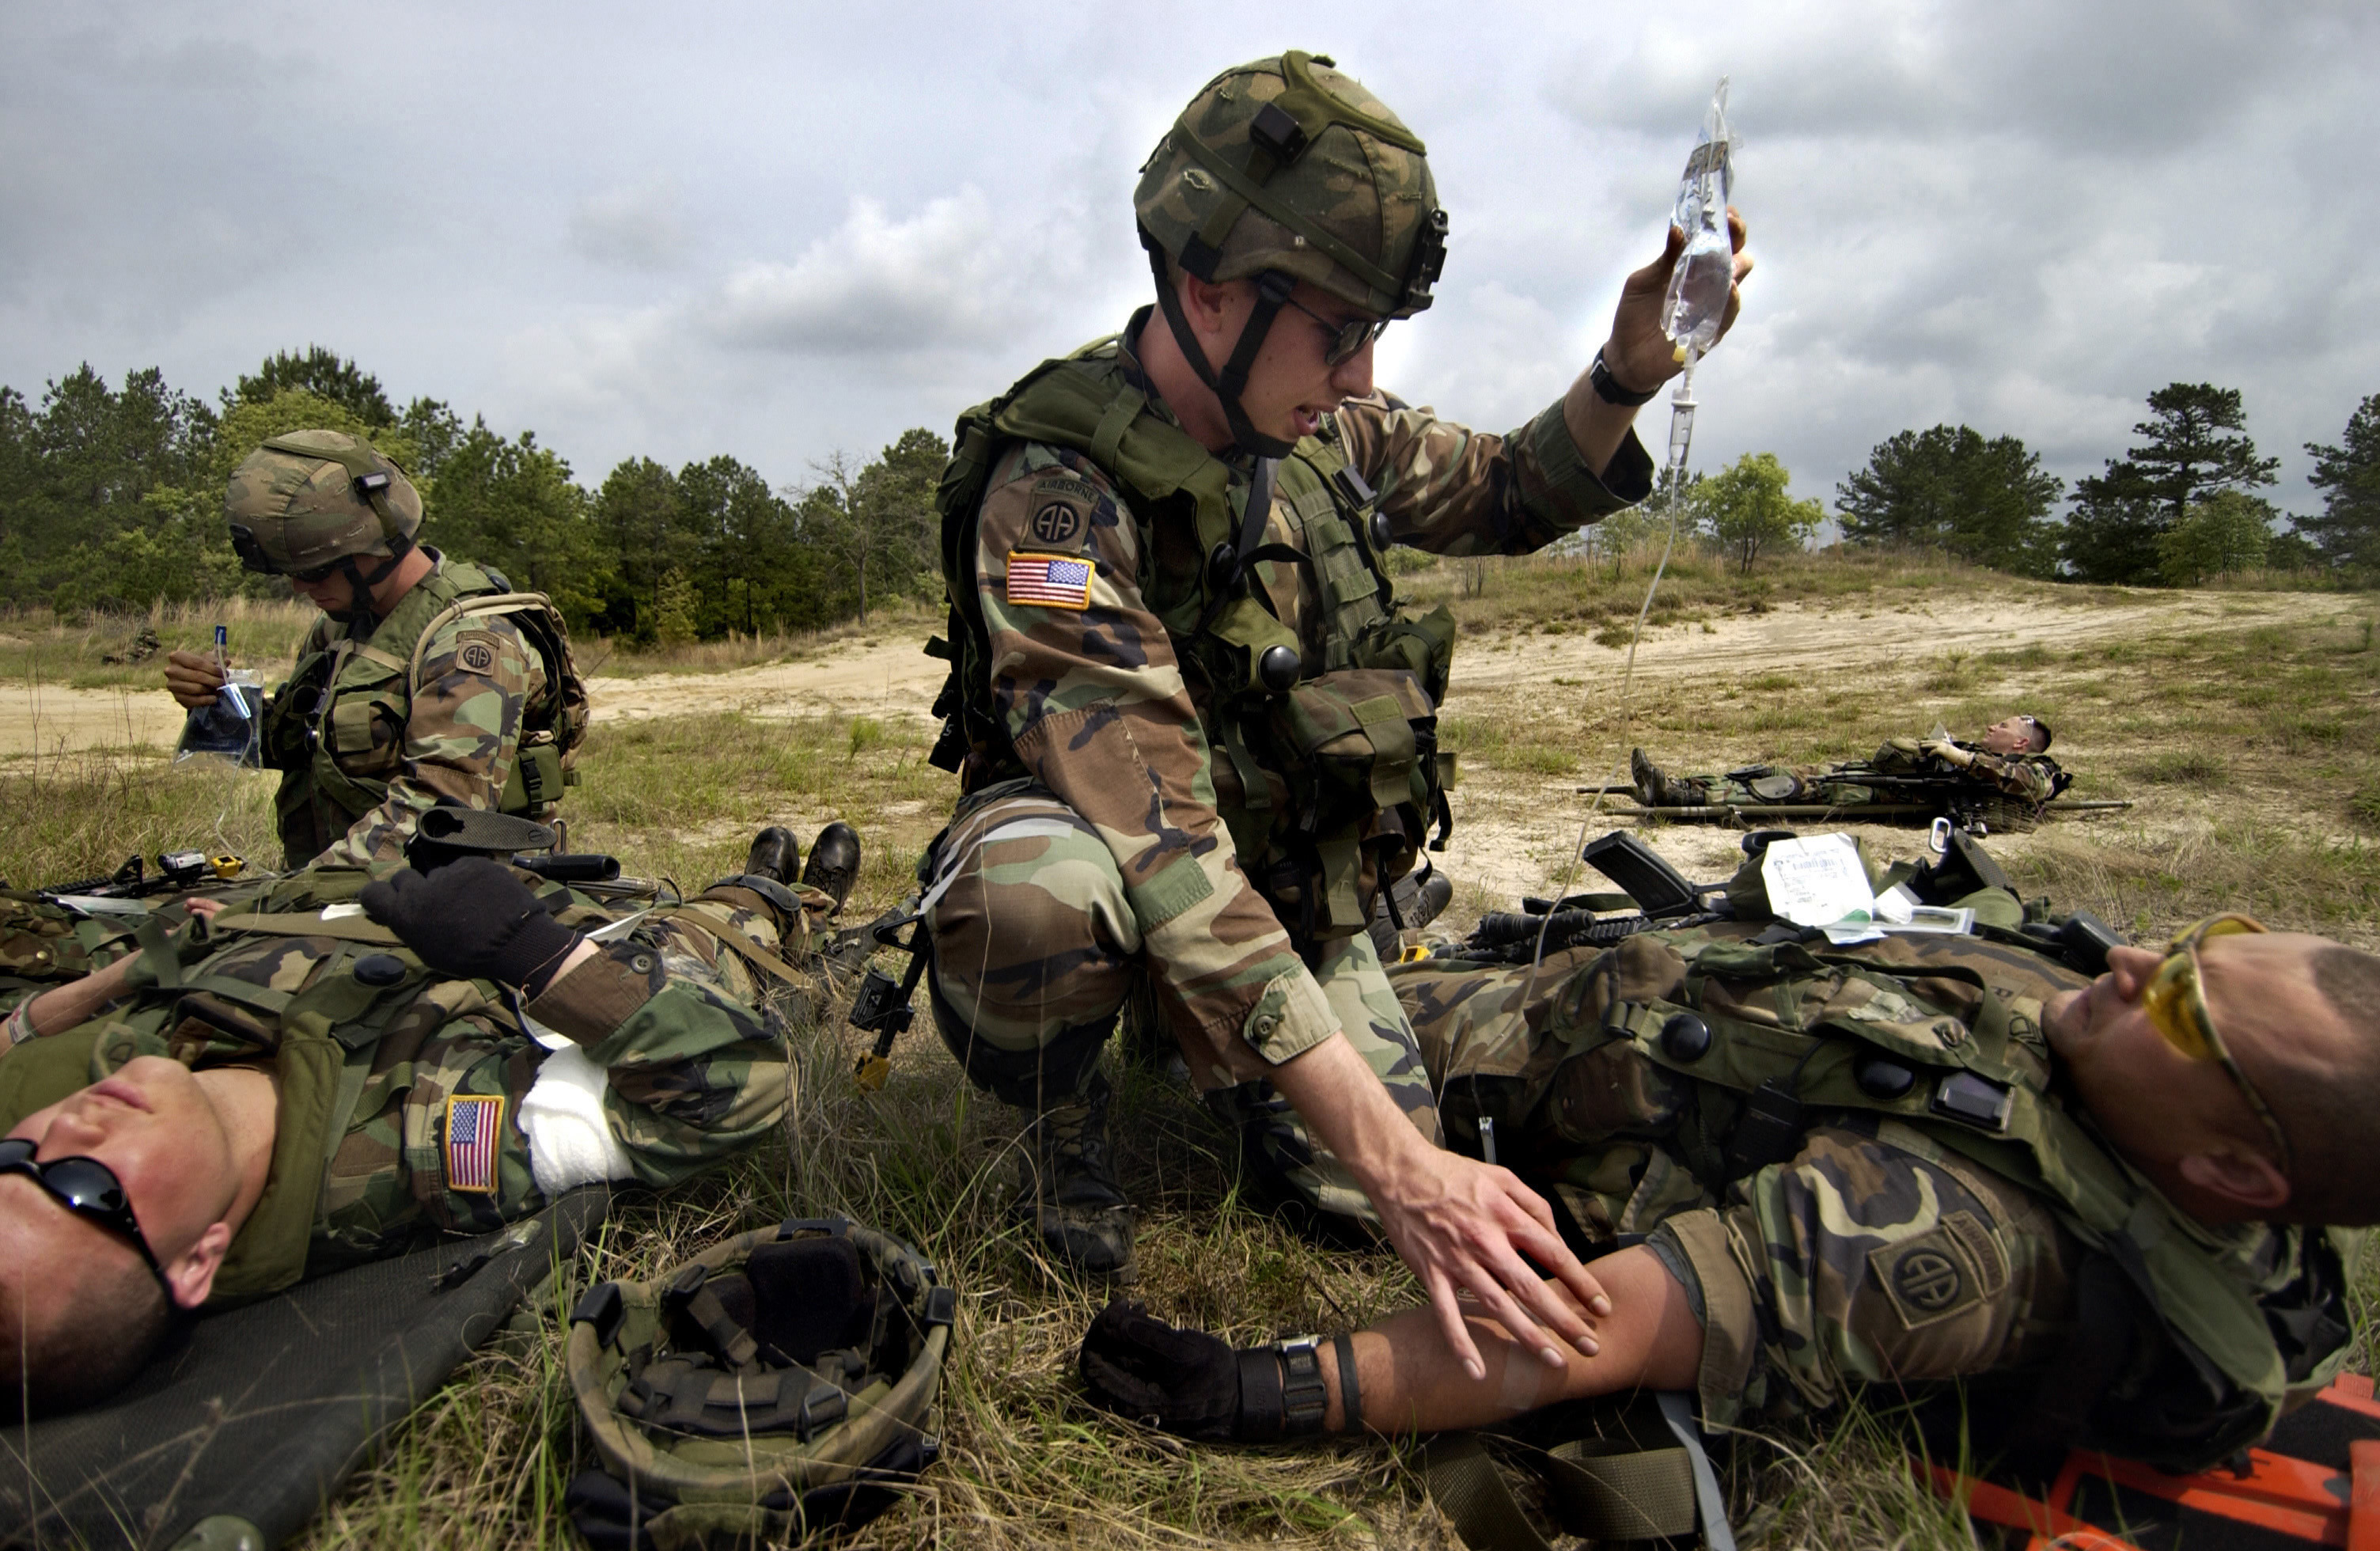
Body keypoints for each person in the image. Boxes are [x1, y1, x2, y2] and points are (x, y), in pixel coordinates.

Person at [917, 47, 1749, 1382]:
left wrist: (1625, 372)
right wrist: (1407, 1171)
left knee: (1362, 1192)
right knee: (1036, 895)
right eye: (1338, 333)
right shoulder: (1053, 500)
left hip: (1280, 876)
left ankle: (1249, 1061)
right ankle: (1058, 1118)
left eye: (1375, 335)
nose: (1363, 375)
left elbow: (1508, 490)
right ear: (1209, 290)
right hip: (1126, 860)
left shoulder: (1322, 436)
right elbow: (1153, 834)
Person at [1078, 885, 2374, 1476]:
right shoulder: (2104, 1059)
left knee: (1214, 1004)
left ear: (2230, 1168)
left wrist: (1271, 1387)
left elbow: (1583, 1333)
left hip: (1481, 1069)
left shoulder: (1947, 1239)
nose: (2139, 962)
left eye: (2188, 1006)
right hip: (1593, 986)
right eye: (2205, 944)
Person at [0, 823, 858, 1417]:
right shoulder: (417, 1145)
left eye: (13, 1156)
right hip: (583, 964)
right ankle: (790, 904)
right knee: (704, 934)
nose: (63, 1131)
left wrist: (123, 976)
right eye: (79, 1185)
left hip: (372, 901)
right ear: (197, 1261)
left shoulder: (98, 1077)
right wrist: (536, 951)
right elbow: (737, 1087)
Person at [163, 430, 587, 870]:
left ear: (375, 548)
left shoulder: (473, 641)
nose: (299, 587)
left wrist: (291, 894)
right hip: (344, 891)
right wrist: (216, 705)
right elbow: (303, 744)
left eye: (316, 571)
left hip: (456, 894)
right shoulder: (341, 628)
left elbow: (439, 821)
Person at [1631, 712, 2062, 813]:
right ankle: (1680, 783)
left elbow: (2032, 786)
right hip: (1873, 773)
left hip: (1886, 792)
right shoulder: (1978, 752)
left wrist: (1958, 756)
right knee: (1773, 772)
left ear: (2021, 742)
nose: (1992, 726)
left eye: (2003, 726)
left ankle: (1678, 797)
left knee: (1787, 790)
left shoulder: (2040, 768)